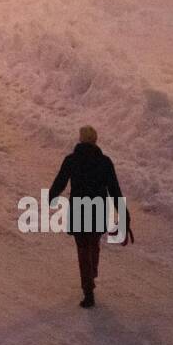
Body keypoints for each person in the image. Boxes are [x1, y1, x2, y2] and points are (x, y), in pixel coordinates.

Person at [48, 126, 127, 309]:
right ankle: (92, 273)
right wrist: (122, 214)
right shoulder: (105, 162)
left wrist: (52, 196)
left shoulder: (71, 160)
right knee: (94, 244)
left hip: (78, 210)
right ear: (96, 141)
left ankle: (88, 289)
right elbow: (114, 190)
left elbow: (60, 181)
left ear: (81, 140)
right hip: (98, 210)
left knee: (83, 249)